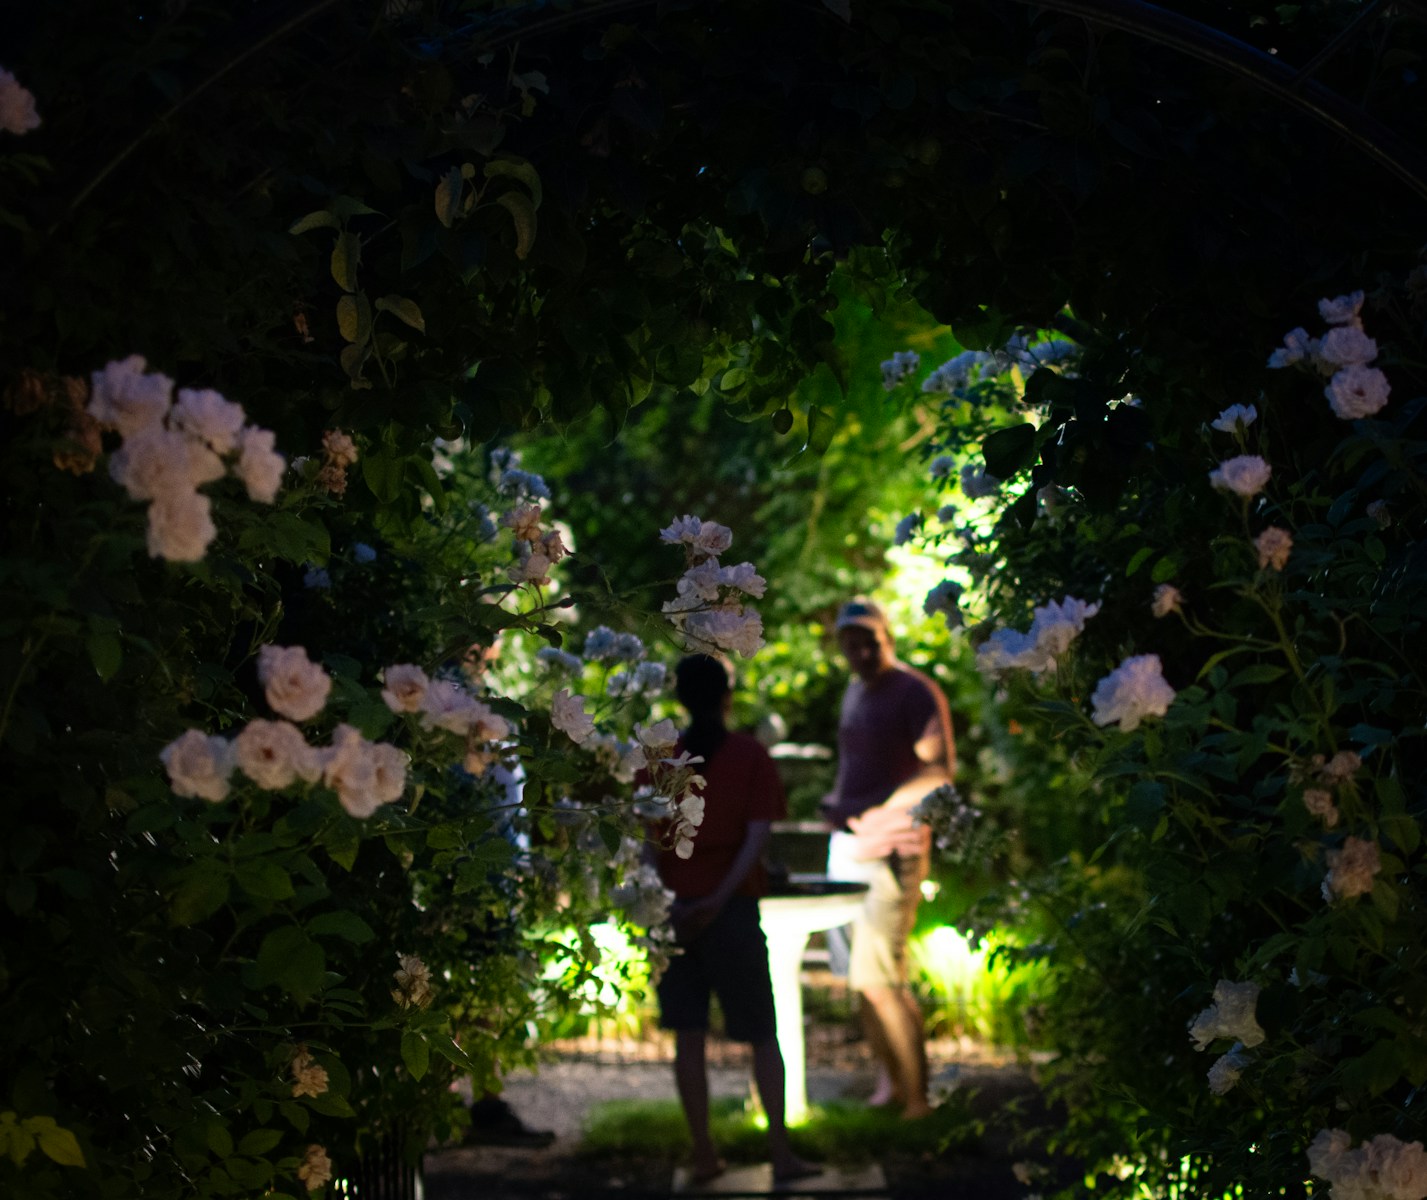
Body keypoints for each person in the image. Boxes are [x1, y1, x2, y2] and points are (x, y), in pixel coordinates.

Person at [645, 654, 818, 1187]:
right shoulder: (750, 755)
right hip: (733, 911)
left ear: (679, 698)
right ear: (727, 696)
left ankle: (704, 1155)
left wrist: (672, 902)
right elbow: (757, 836)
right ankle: (782, 1154)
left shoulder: (660, 758)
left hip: (674, 915)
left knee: (688, 1038)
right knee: (762, 1034)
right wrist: (719, 900)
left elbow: (647, 840)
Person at [822, 599, 954, 1119]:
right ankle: (891, 1086)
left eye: (869, 640)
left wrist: (880, 812)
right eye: (850, 642)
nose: (860, 651)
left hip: (890, 853)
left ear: (887, 637)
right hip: (848, 845)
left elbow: (940, 771)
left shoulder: (915, 691)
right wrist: (839, 807)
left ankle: (919, 1102)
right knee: (862, 983)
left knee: (882, 981)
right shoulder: (855, 691)